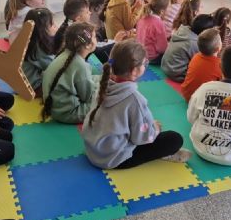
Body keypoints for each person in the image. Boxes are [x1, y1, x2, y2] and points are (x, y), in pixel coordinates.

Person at [81, 40, 191, 169]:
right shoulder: (134, 99)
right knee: (174, 139)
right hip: (113, 159)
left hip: (93, 149)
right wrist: (155, 129)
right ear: (134, 70)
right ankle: (163, 154)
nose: (146, 66)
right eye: (145, 63)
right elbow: (143, 138)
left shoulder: (102, 84)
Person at [42, 23, 98, 123]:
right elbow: (86, 96)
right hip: (69, 113)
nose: (96, 39)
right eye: (94, 36)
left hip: (54, 109)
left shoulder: (65, 54)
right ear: (88, 44)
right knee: (106, 99)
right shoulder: (80, 65)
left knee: (100, 80)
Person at [161, 14, 215, 82]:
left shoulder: (182, 30)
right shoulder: (194, 43)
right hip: (177, 74)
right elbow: (198, 61)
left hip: (165, 66)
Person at [22, 8, 58, 97]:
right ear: (42, 29)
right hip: (32, 88)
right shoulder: (37, 48)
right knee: (66, 87)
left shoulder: (30, 39)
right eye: (52, 24)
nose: (56, 26)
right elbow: (54, 67)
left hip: (26, 83)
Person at [181, 28, 223, 102]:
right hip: (202, 101)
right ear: (218, 49)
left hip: (187, 95)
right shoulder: (219, 64)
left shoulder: (195, 56)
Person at [136, 0, 170, 65]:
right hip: (153, 58)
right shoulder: (158, 23)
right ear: (162, 11)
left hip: (141, 55)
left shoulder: (142, 18)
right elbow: (162, 49)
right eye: (169, 8)